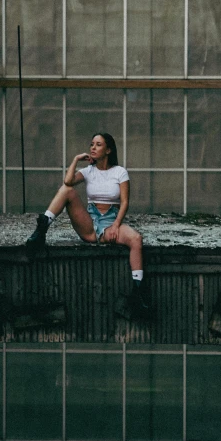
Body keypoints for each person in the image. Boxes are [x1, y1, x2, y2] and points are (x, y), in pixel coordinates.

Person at [26, 132, 149, 311]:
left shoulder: (120, 172)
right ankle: (41, 229)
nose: (92, 147)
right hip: (89, 224)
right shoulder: (88, 171)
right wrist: (76, 159)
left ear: (108, 150)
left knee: (136, 239)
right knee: (67, 190)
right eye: (92, 144)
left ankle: (137, 292)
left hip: (110, 223)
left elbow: (125, 202)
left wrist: (115, 225)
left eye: (98, 145)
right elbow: (68, 181)